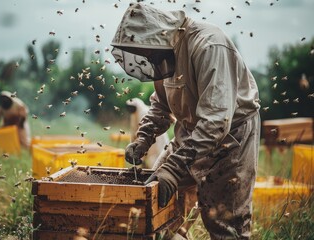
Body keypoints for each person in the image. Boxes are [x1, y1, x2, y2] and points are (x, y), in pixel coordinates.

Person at [111, 3, 260, 239]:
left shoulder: (209, 44)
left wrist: (174, 166)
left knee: (225, 225)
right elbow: (161, 105)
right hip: (190, 137)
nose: (146, 59)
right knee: (157, 204)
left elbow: (216, 120)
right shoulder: (162, 54)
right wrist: (144, 137)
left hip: (230, 142)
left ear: (158, 35)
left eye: (146, 53)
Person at [126, 98, 171, 169]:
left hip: (156, 139)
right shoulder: (134, 115)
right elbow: (134, 132)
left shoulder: (145, 112)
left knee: (155, 162)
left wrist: (143, 156)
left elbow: (149, 134)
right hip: (147, 139)